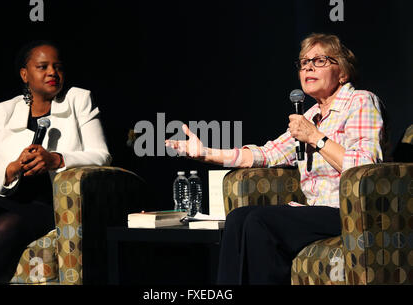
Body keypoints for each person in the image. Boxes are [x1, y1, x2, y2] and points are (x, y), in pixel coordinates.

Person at [165, 33, 386, 284]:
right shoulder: (310, 115)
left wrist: (316, 137)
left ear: (343, 72)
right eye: (303, 62)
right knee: (239, 218)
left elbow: (366, 168)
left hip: (350, 212)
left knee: (260, 222)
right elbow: (267, 153)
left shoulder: (360, 101)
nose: (308, 67)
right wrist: (207, 153)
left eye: (320, 60)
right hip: (314, 212)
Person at [0, 40, 111, 283]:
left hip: (49, 204)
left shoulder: (78, 100)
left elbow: (101, 155)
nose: (53, 72)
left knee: (3, 228)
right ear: (25, 74)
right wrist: (12, 168)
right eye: (43, 67)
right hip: (5, 196)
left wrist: (56, 159)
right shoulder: (3, 110)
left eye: (58, 67)